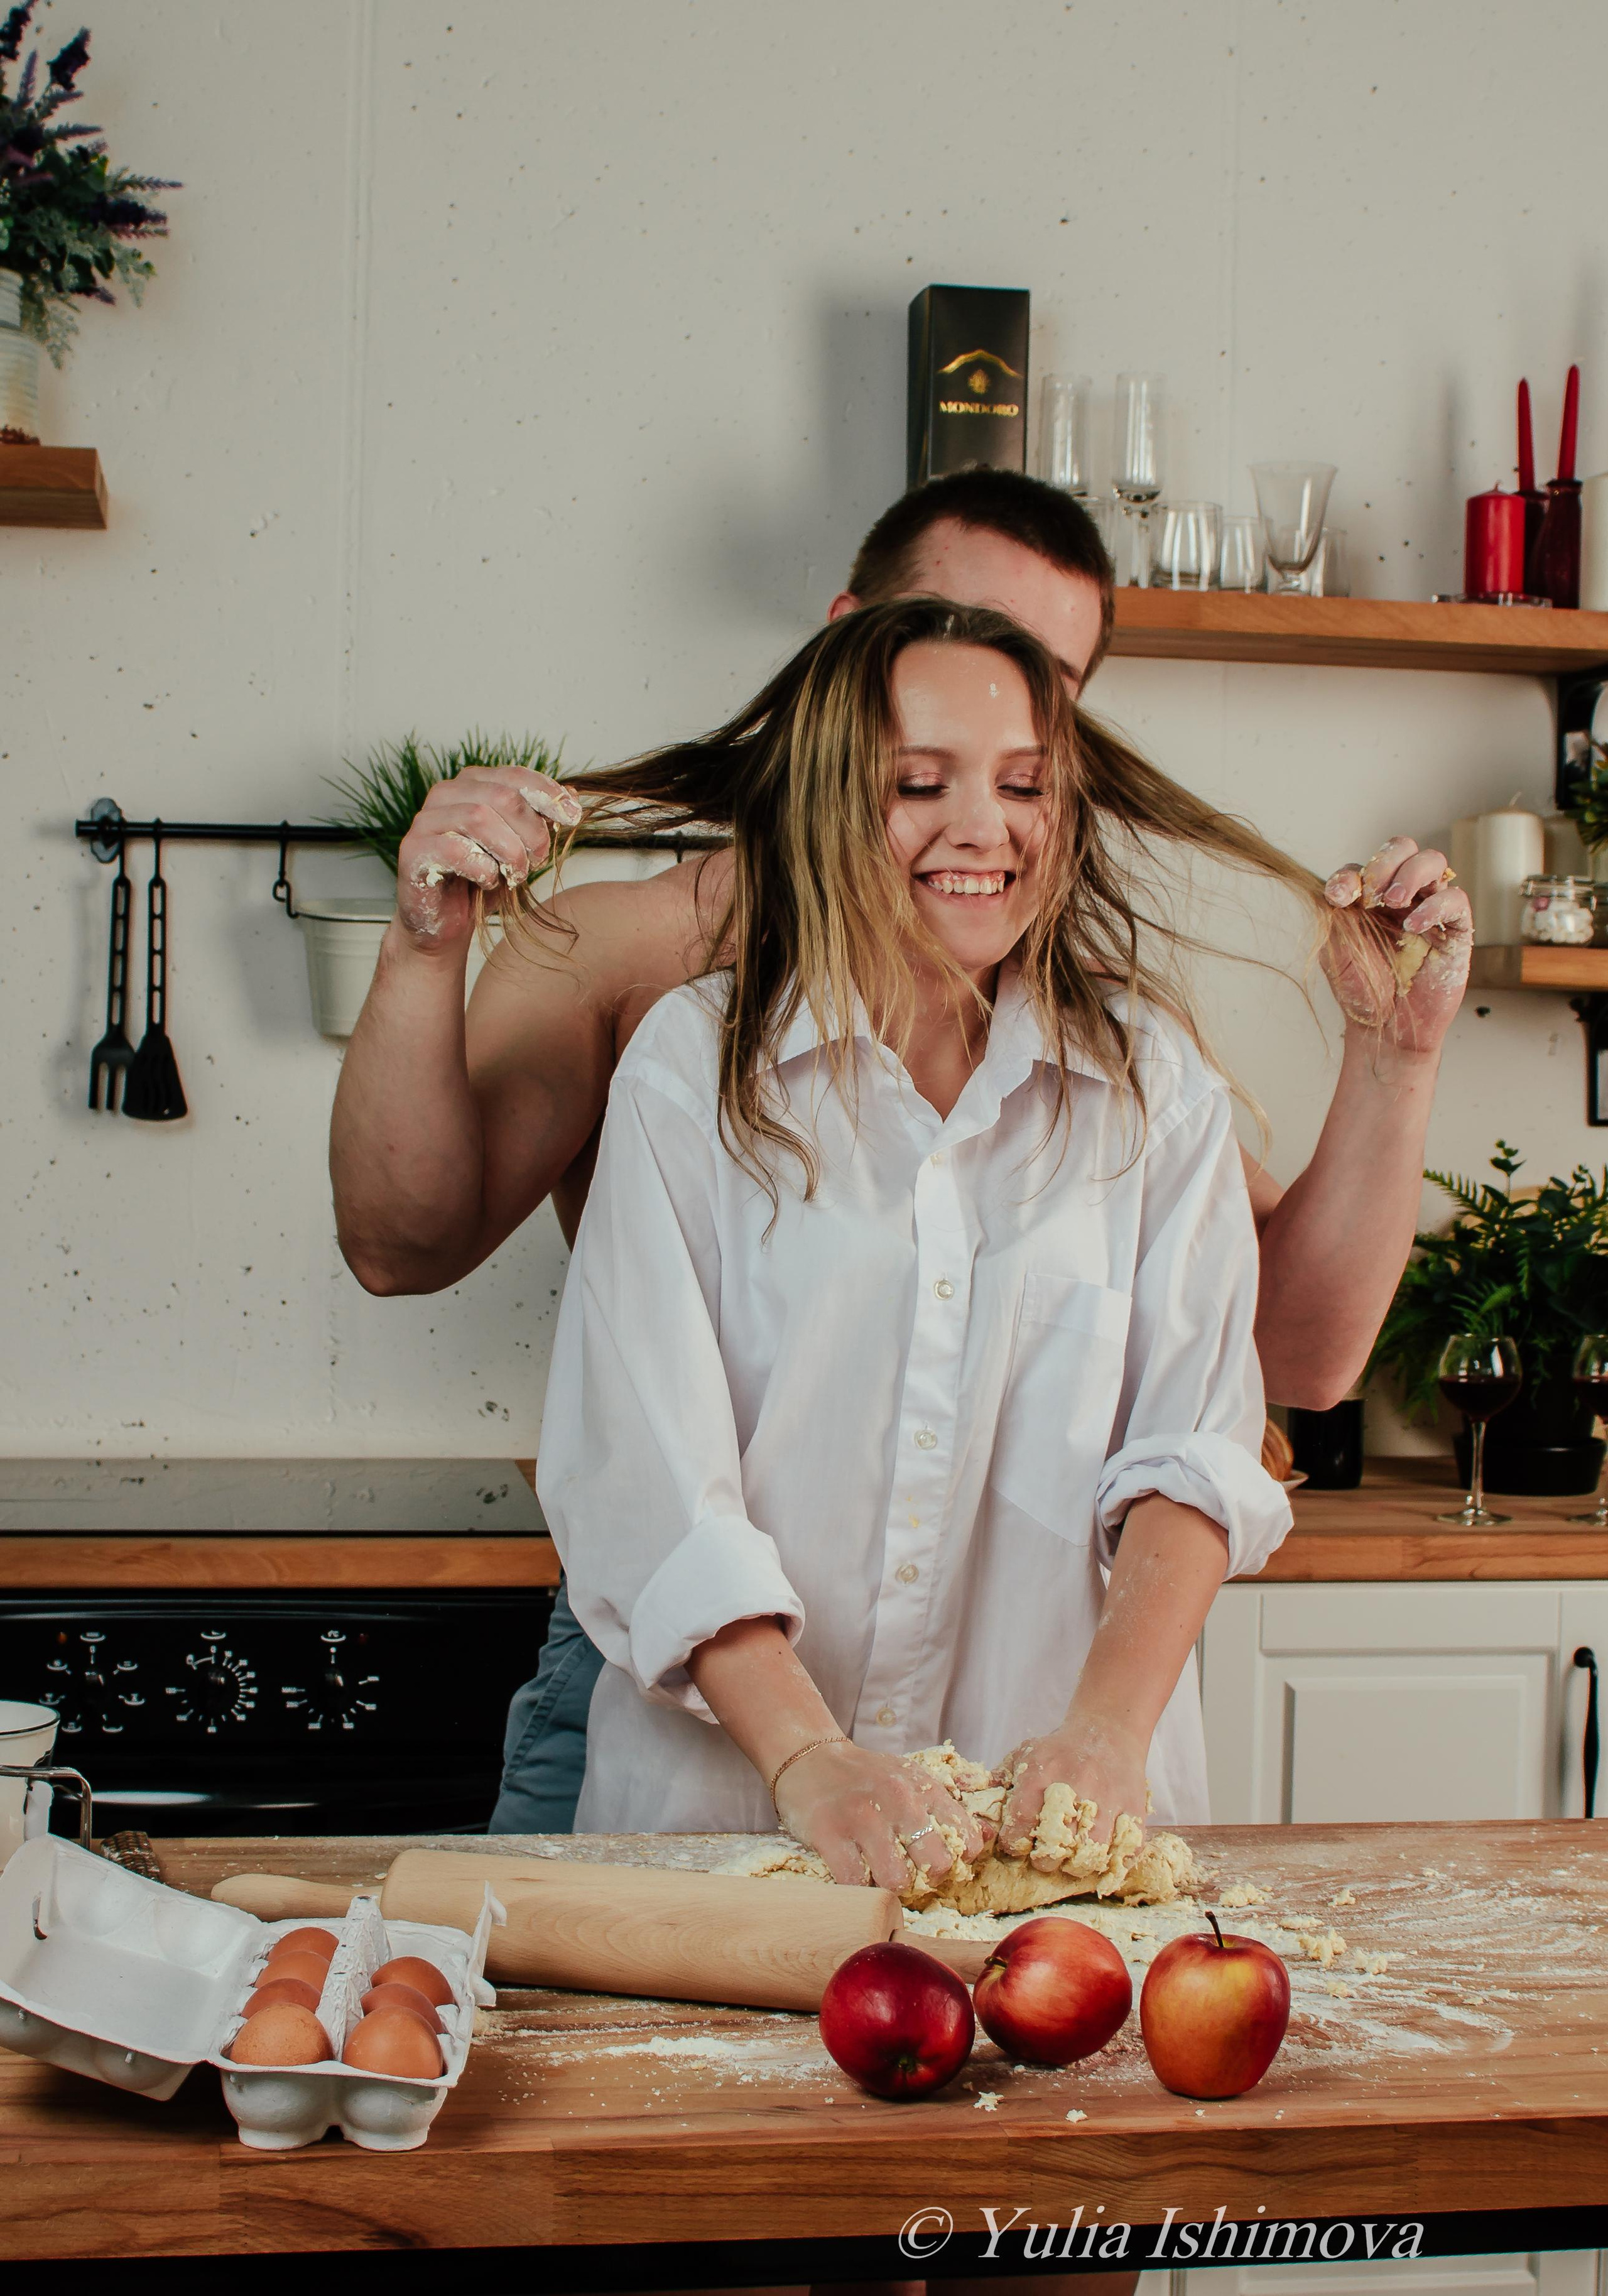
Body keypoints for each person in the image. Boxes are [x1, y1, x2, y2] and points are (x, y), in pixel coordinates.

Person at [328, 471, 1472, 1831]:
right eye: (943, 656)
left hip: (1011, 1720)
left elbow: (1282, 1359)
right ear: (846, 646)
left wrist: (1393, 1060)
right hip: (680, 1661)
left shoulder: (1115, 1057)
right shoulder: (648, 978)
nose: (981, 704)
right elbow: (401, 1244)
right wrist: (422, 949)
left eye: (1036, 694)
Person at [537, 594, 1305, 1863]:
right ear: (831, 802)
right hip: (728, 1836)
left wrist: (1107, 1732)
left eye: (1023, 784)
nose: (982, 829)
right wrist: (807, 1758)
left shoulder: (1152, 1085)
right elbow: (650, 1485)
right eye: (916, 784)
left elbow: (1192, 1452)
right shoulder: (692, 1070)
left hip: (1052, 1835)